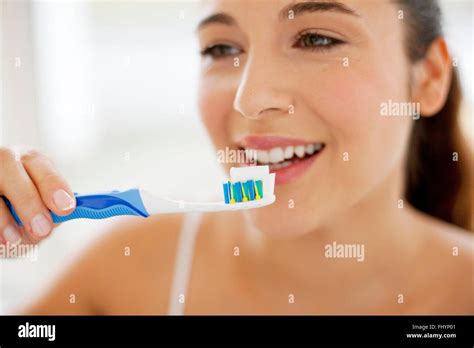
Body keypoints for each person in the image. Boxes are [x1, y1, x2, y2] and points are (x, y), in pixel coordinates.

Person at [1, 0, 472, 314]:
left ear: (428, 78)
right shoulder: (128, 272)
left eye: (317, 40)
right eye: (222, 48)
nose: (250, 98)